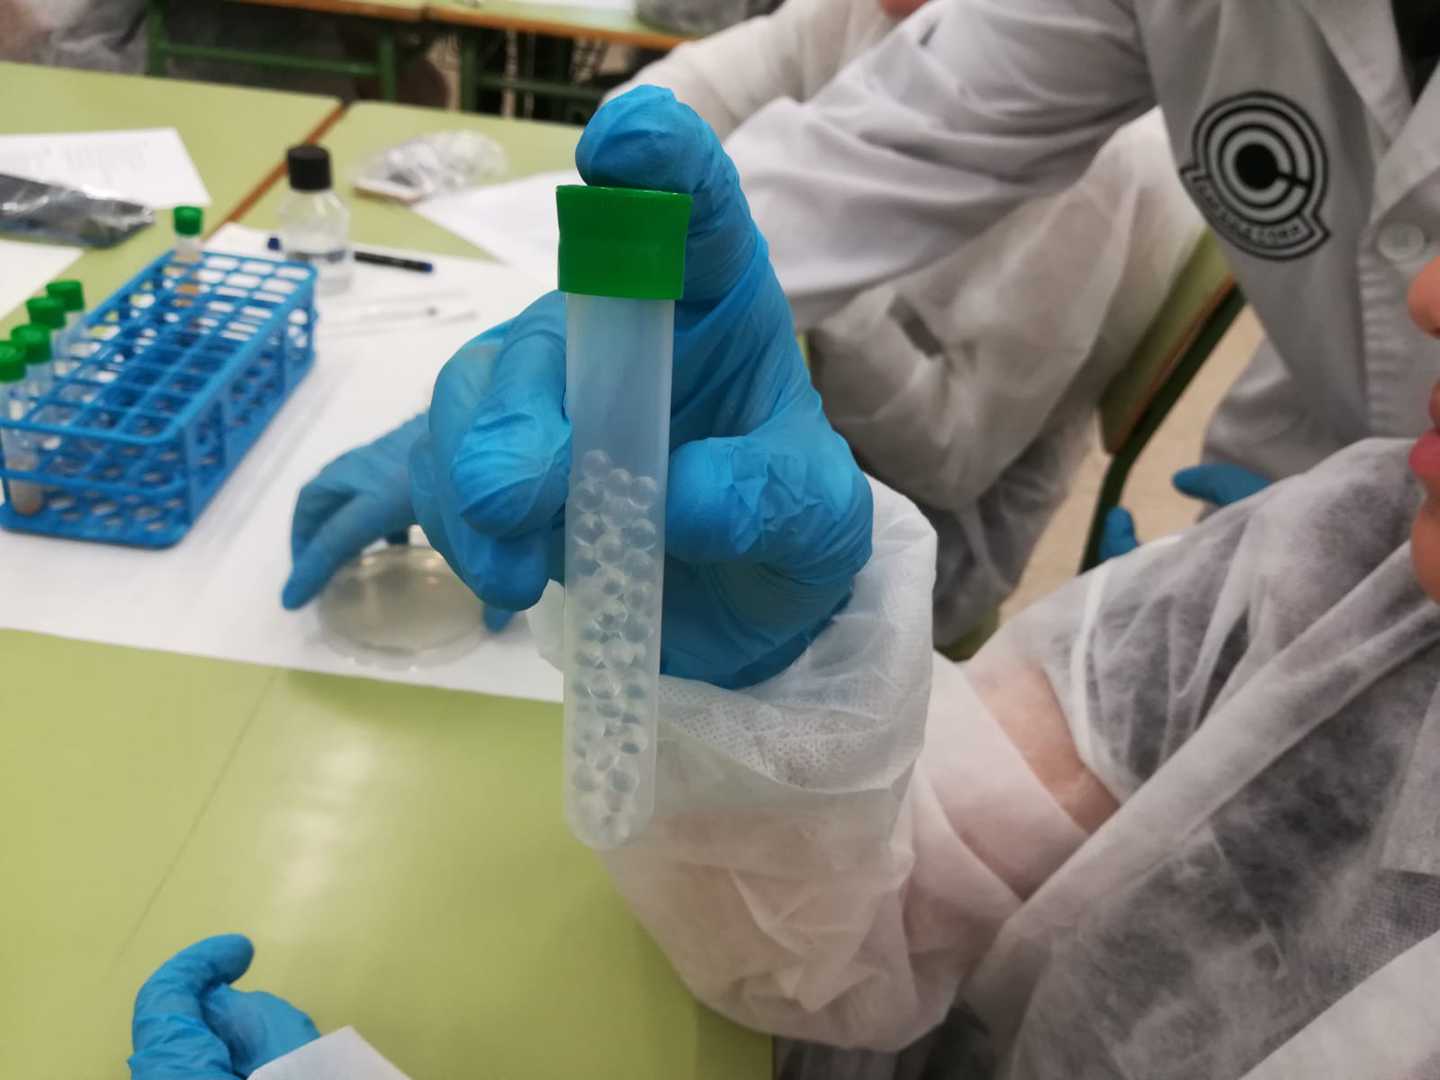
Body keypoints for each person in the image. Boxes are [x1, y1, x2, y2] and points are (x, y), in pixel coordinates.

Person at [134, 91, 1440, 1080]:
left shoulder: (1098, 185)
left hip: (955, 527)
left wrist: (816, 330)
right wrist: (760, 704)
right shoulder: (1356, 561)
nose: (1427, 293)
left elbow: (951, 444)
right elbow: (847, 954)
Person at [281, 0, 1213, 650]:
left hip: (925, 538)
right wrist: (529, 388)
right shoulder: (854, 17)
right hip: (737, 457)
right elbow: (656, 120)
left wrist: (795, 299)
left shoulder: (1105, 160)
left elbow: (951, 456)